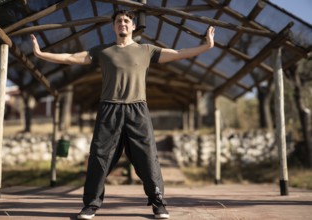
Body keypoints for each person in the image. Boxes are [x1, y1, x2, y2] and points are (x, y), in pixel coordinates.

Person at [31, 10, 215, 220]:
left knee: (147, 157)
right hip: (109, 109)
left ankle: (158, 203)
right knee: (99, 157)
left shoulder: (146, 50)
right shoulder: (103, 51)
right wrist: (40, 54)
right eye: (119, 21)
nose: (123, 24)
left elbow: (178, 53)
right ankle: (91, 204)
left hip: (137, 109)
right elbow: (71, 57)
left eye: (127, 21)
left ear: (133, 26)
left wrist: (206, 46)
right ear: (114, 26)